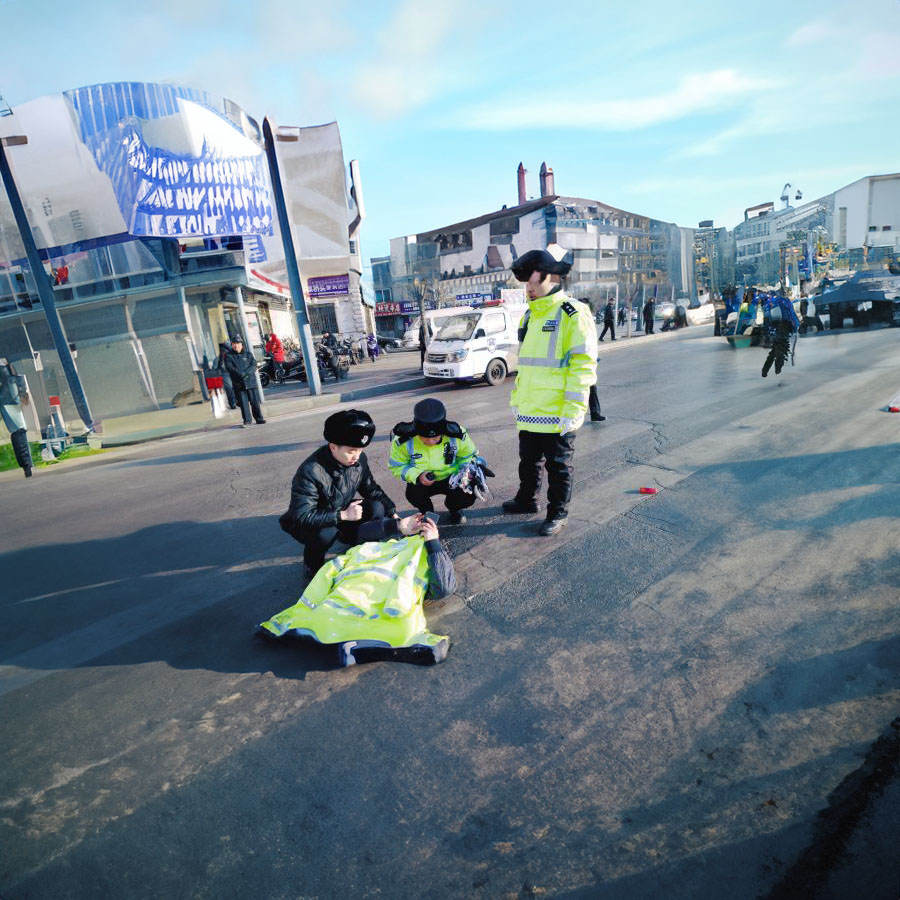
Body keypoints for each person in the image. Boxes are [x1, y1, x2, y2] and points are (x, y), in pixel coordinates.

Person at [258, 512, 454, 666]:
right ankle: (348, 640)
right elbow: (362, 533)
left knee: (327, 620)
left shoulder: (425, 554)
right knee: (332, 618)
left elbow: (445, 587)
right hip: (346, 599)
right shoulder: (374, 546)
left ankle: (338, 637)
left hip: (375, 607)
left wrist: (433, 543)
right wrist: (398, 526)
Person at [502, 249, 598, 536]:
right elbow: (527, 368)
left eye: (534, 284)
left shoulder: (573, 314)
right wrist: (517, 401)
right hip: (530, 410)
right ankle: (526, 500)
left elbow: (583, 366)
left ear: (552, 278)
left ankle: (557, 513)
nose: (529, 290)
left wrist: (574, 411)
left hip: (558, 412)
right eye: (526, 285)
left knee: (558, 467)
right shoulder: (529, 318)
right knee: (528, 462)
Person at [279, 409, 398, 575]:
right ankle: (311, 566)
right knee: (325, 533)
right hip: (312, 521)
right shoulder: (311, 471)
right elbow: (301, 516)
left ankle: (359, 547)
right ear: (333, 447)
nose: (357, 456)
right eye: (351, 451)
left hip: (341, 508)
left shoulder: (358, 459)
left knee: (377, 508)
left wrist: (392, 512)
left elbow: (370, 488)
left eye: (360, 450)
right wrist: (343, 516)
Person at [389, 397, 478, 525]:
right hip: (423, 481)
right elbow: (396, 466)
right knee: (413, 494)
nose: (430, 442)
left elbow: (469, 456)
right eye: (424, 438)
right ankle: (427, 511)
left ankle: (454, 508)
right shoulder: (403, 439)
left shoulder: (457, 433)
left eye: (436, 438)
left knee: (468, 492)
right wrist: (417, 475)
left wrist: (465, 473)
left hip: (452, 477)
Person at [0, 357, 34, 478]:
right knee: (18, 430)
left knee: (18, 430)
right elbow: (15, 371)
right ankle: (26, 465)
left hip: (8, 390)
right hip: (9, 390)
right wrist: (22, 391)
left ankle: (26, 465)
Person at [224, 336, 265, 426]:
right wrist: (241, 374)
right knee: (243, 404)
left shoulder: (248, 354)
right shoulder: (228, 356)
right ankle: (247, 420)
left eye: (238, 344)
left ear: (241, 345)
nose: (236, 346)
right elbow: (230, 368)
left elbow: (254, 365)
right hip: (239, 384)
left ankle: (259, 418)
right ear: (232, 345)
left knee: (255, 402)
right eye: (234, 344)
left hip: (251, 382)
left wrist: (246, 373)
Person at [214, 341, 237, 409]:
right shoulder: (219, 358)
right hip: (225, 373)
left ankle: (236, 401)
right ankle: (233, 403)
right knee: (229, 388)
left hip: (233, 372)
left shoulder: (231, 355)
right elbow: (217, 367)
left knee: (234, 387)